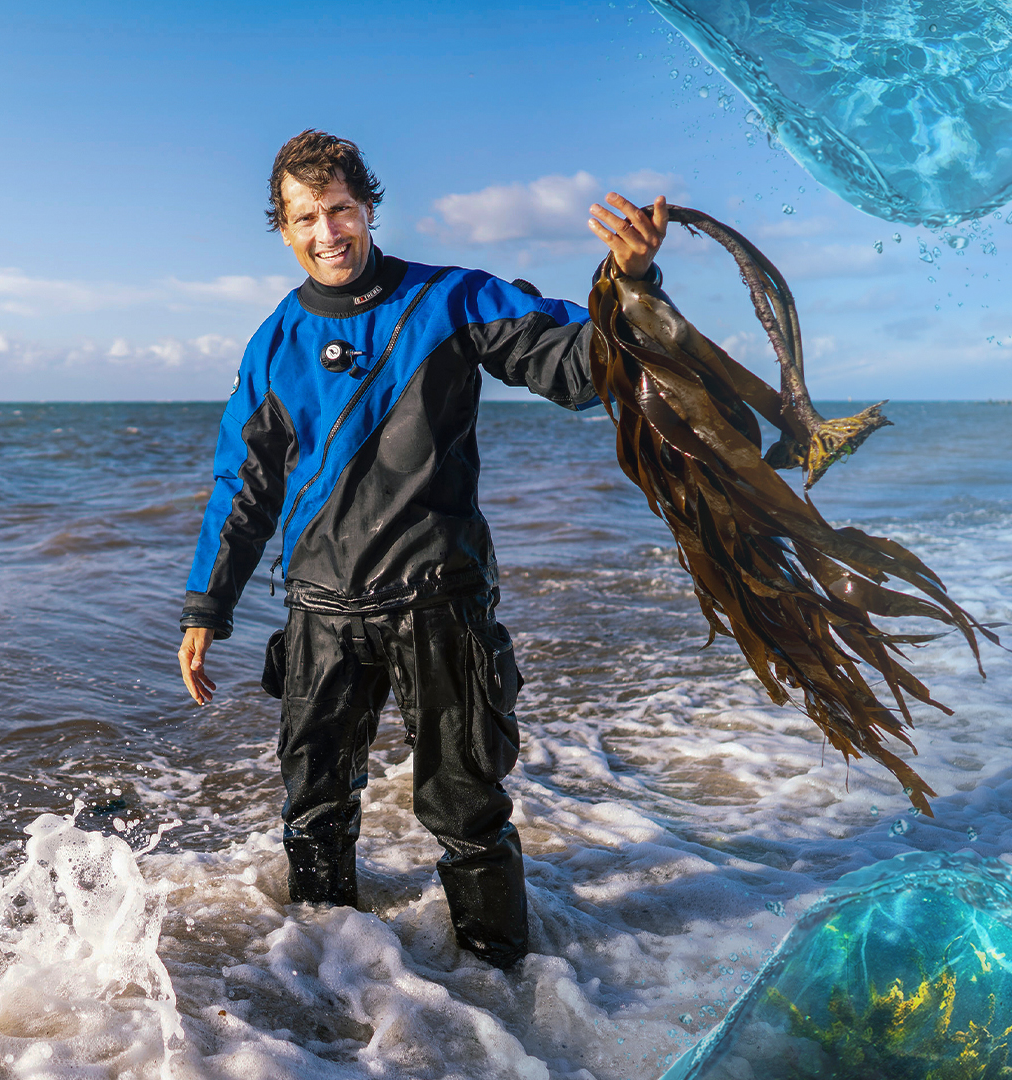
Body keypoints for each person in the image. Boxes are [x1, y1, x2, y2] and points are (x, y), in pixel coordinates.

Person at [175, 129, 667, 968]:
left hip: (441, 608)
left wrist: (632, 283)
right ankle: (330, 995)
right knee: (315, 810)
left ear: (368, 207)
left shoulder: (454, 299)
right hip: (320, 619)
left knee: (468, 815)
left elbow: (583, 374)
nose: (327, 231)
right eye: (305, 217)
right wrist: (206, 608)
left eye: (339, 209)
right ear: (284, 230)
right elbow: (243, 489)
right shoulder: (271, 346)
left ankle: (505, 999)